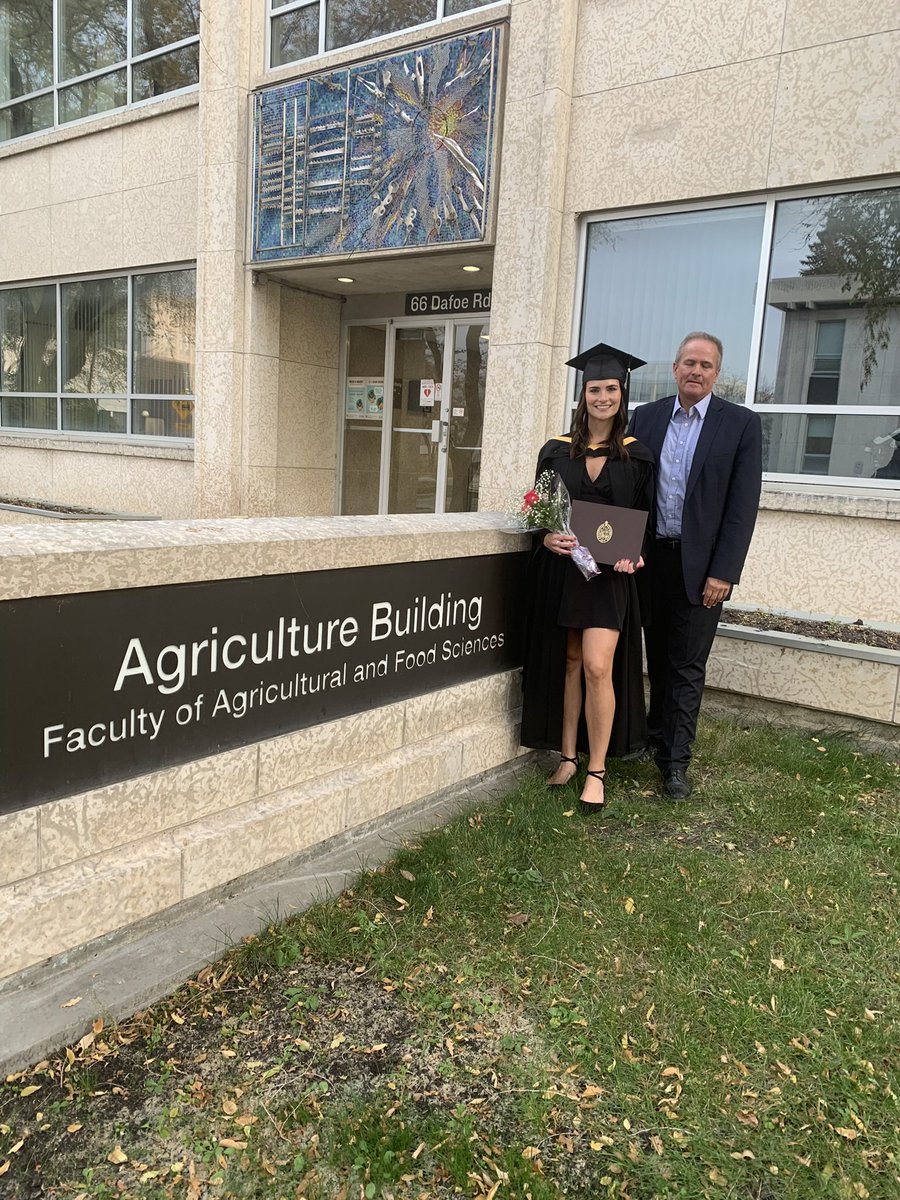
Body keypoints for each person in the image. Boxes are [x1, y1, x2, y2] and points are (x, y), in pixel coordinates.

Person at [520, 343, 655, 813]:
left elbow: (646, 522)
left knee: (599, 665)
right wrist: (546, 537)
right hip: (566, 571)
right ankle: (569, 756)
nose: (603, 396)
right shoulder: (555, 451)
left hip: (609, 578)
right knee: (571, 662)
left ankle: (597, 770)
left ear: (623, 393)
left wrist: (634, 555)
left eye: (611, 388)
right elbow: (541, 512)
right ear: (583, 394)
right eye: (595, 388)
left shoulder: (638, 457)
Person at [629, 332, 762, 799]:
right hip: (647, 562)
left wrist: (724, 572)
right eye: (689, 363)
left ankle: (676, 762)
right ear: (675, 367)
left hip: (702, 568)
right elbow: (628, 488)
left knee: (686, 665)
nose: (696, 371)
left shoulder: (741, 425)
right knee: (656, 655)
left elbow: (742, 507)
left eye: (706, 365)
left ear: (717, 374)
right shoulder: (644, 419)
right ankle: (653, 736)